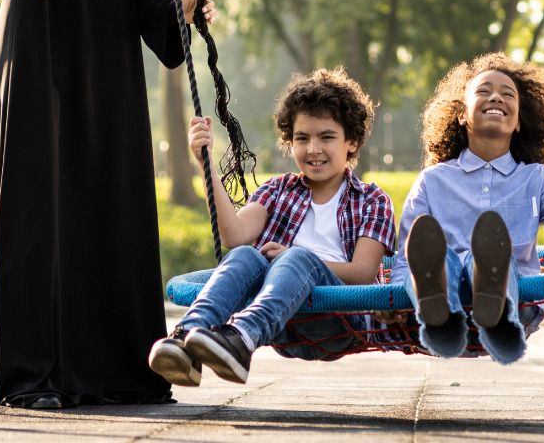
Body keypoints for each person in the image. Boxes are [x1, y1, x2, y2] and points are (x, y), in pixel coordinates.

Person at [0, 0, 214, 410]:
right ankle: (34, 378)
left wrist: (185, 12)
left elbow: (152, 11)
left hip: (108, 88)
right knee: (42, 221)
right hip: (40, 87)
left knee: (112, 211)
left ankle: (119, 370)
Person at [149, 68, 396, 385]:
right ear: (290, 142)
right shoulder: (277, 190)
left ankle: (241, 338)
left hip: (339, 320)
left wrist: (291, 255)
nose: (313, 149)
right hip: (283, 323)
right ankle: (186, 341)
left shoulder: (372, 200)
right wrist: (205, 163)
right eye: (302, 138)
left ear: (351, 141)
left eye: (327, 137)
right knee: (244, 256)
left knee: (296, 257)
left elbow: (363, 273)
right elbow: (234, 236)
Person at [393, 52, 544, 364]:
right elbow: (406, 260)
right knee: (440, 258)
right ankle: (442, 316)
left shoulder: (536, 178)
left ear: (519, 121)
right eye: (483, 91)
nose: (496, 96)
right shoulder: (433, 181)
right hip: (447, 285)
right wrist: (394, 299)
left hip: (517, 297)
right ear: (461, 115)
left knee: (494, 255)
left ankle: (498, 312)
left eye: (508, 94)